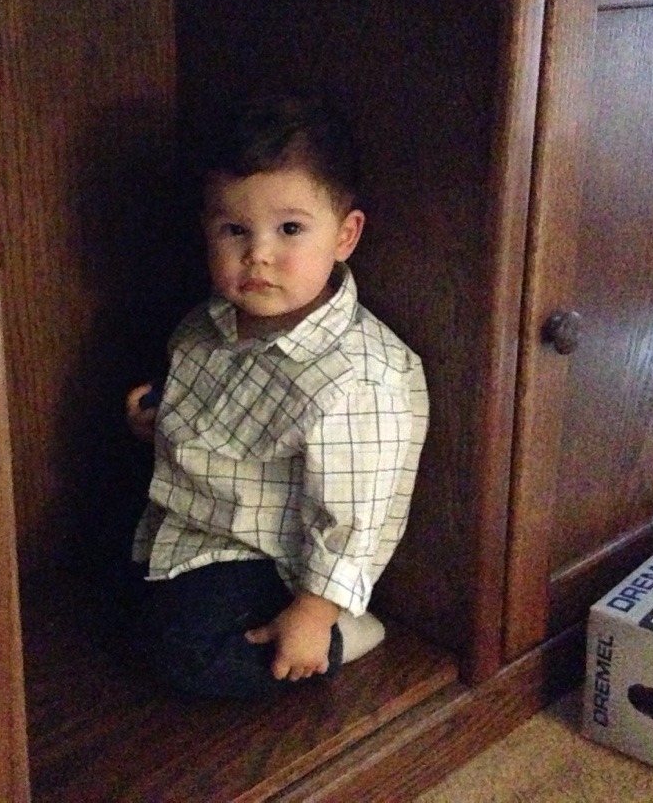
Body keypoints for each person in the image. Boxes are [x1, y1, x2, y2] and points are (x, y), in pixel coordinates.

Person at [123, 93, 430, 699]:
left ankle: (343, 636)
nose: (258, 254)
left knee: (184, 657)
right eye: (235, 230)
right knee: (108, 591)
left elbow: (351, 518)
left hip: (276, 562)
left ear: (345, 235)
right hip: (190, 521)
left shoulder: (358, 378)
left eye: (289, 229)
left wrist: (315, 612)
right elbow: (212, 423)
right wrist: (158, 420)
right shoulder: (207, 324)